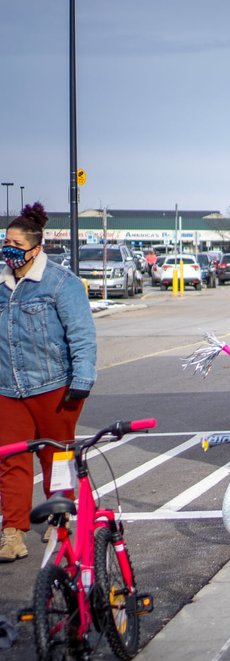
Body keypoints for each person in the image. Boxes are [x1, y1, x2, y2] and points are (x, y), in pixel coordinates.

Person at [0, 203, 97, 562]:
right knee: (11, 460)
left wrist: (82, 379)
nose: (8, 248)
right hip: (8, 389)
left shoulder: (60, 284)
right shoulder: (0, 283)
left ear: (35, 248)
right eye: (5, 241)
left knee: (56, 456)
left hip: (54, 385)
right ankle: (12, 533)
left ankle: (59, 519)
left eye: (14, 242)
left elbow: (82, 335)